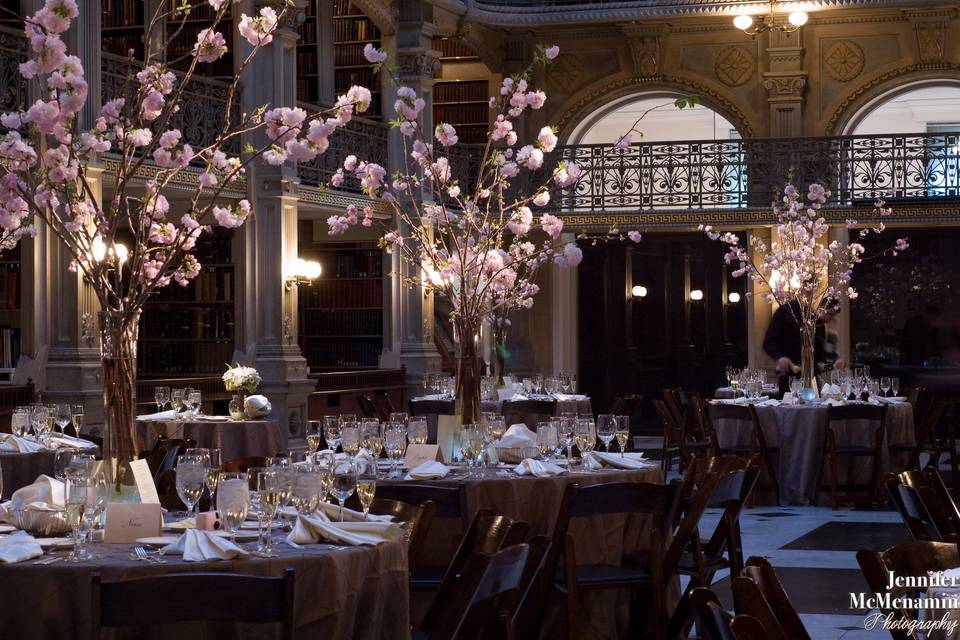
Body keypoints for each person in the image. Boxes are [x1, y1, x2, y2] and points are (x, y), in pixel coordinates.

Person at [763, 299, 845, 392]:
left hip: (812, 379)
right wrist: (780, 357)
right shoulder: (785, 311)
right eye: (830, 314)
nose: (830, 319)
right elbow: (769, 341)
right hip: (790, 378)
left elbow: (820, 353)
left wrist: (835, 358)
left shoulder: (818, 324)